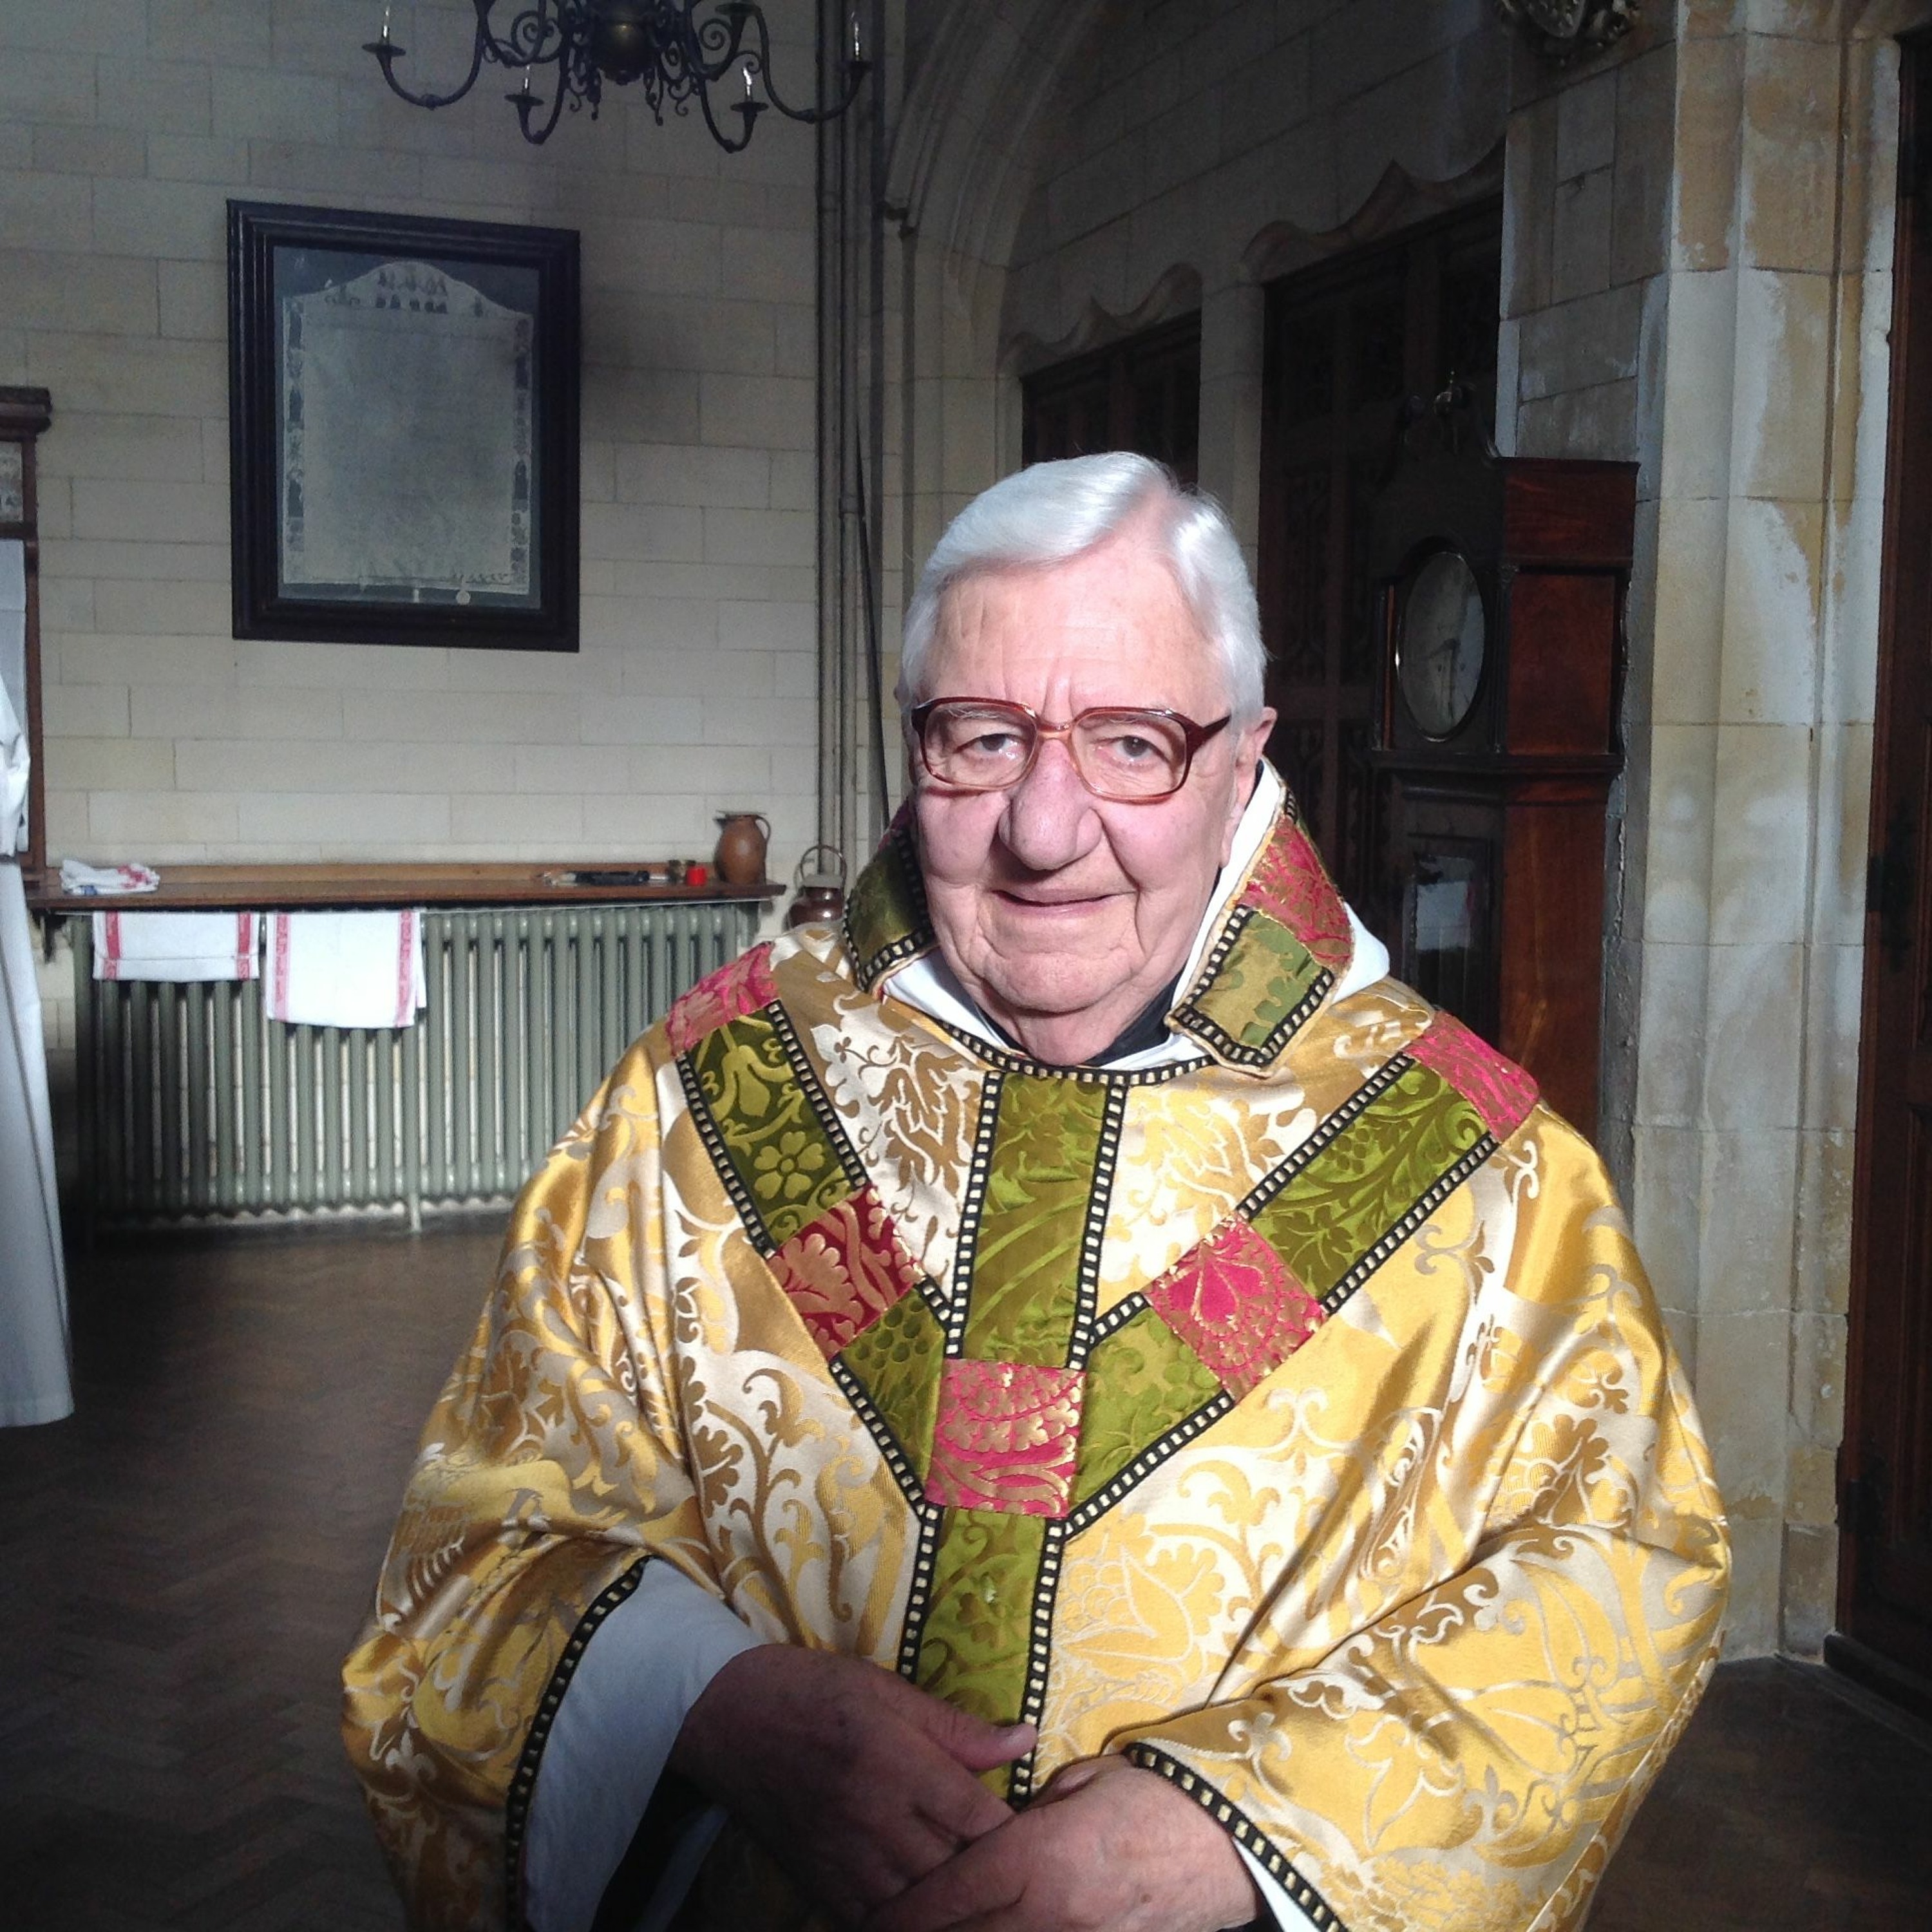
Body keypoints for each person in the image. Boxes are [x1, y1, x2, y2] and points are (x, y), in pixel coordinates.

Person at [344, 453, 1729, 1932]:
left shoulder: (1484, 1172)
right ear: (915, 746)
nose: (1046, 831)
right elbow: (481, 1555)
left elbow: (1621, 1569)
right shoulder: (710, 1095)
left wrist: (1250, 1832)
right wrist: (717, 1704)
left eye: (1133, 743)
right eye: (986, 738)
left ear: (1242, 760)